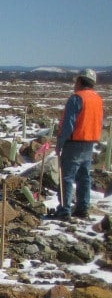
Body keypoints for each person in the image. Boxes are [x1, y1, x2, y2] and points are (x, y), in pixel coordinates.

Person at [53, 68, 104, 219]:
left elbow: (69, 124)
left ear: (80, 81)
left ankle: (64, 210)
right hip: (89, 142)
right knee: (84, 177)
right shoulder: (97, 99)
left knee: (67, 177)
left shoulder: (76, 98)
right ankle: (83, 208)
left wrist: (60, 142)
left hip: (74, 142)